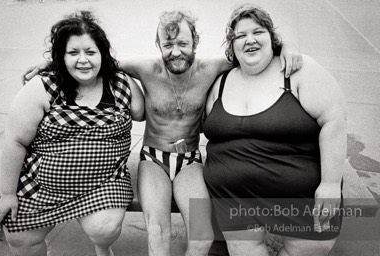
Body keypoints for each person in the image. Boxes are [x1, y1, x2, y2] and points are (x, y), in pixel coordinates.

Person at [23, 9, 303, 256]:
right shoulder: (146, 69)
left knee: (202, 235)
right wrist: (50, 67)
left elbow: (251, 51)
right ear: (158, 44)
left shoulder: (211, 68)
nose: (176, 51)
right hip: (153, 159)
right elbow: (94, 63)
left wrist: (285, 46)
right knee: (158, 235)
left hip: (189, 160)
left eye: (183, 43)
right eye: (168, 44)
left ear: (195, 42)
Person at [0, 10, 144, 256]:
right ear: (61, 56)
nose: (83, 60)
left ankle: (102, 247)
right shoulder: (42, 86)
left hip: (102, 185)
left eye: (91, 52)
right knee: (19, 237)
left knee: (105, 229)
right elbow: (15, 141)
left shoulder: (120, 85)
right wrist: (8, 193)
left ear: (102, 54)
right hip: (42, 187)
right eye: (73, 53)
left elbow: (143, 112)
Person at [203, 4, 346, 256]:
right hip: (234, 199)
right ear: (231, 45)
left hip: (300, 196)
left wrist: (331, 183)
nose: (250, 40)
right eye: (240, 35)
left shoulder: (297, 70)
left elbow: (334, 119)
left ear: (272, 37)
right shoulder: (221, 82)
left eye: (258, 32)